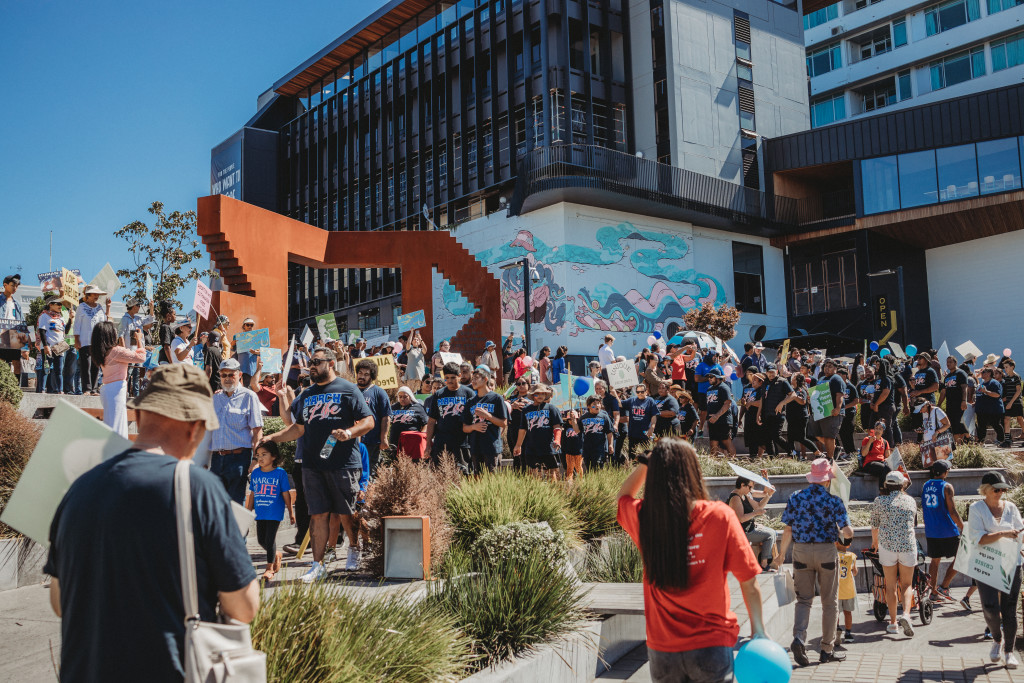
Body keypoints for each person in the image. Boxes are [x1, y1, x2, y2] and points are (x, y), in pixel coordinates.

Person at [43, 364, 259, 681]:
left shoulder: (80, 487)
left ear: (141, 416)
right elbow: (244, 607)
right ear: (196, 428)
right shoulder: (197, 488)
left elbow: (59, 601)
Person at [617, 439, 766, 682]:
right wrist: (758, 631)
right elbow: (748, 582)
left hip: (663, 648)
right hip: (711, 644)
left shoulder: (645, 517)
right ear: (693, 471)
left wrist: (648, 463)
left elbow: (624, 496)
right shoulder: (720, 516)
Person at [262, 347, 374, 581]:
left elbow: (368, 421)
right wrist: (272, 437)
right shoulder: (307, 394)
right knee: (318, 514)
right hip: (312, 464)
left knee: (347, 512)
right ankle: (317, 565)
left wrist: (349, 432)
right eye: (310, 362)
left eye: (316, 362)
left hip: (344, 463)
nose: (311, 366)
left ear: (331, 363)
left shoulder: (348, 389)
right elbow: (297, 428)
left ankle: (354, 548)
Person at [771, 457, 854, 666]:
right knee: (830, 603)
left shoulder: (795, 497)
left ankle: (799, 638)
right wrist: (847, 533)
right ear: (827, 480)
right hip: (826, 552)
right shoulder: (834, 501)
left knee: (803, 600)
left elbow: (787, 529)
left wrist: (781, 555)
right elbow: (847, 532)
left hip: (801, 551)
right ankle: (826, 650)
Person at [968, 471, 1023, 668]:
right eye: (996, 490)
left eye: (1003, 490)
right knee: (990, 607)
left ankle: (1009, 651)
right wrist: (1003, 534)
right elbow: (978, 539)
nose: (1000, 493)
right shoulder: (976, 508)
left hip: (1011, 563)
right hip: (987, 563)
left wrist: (1020, 543)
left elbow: (1020, 533)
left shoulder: (1011, 508)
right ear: (986, 490)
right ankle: (997, 639)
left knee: (1010, 609)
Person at [869, 471, 919, 637]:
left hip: (887, 546)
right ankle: (906, 615)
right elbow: (913, 523)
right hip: (907, 545)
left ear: (886, 484)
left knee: (890, 586)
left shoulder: (879, 501)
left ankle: (892, 623)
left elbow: (874, 525)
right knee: (907, 585)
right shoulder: (910, 501)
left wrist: (875, 543)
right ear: (902, 484)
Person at [210, 358, 264, 505]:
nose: (227, 378)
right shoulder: (215, 398)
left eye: (231, 374)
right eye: (224, 375)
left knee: (236, 506)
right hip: (216, 459)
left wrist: (255, 459)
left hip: (239, 459)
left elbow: (257, 431)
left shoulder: (249, 396)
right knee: (215, 505)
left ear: (239, 374)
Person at [246, 441, 295, 581]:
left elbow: (286, 493)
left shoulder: (280, 473)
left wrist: (291, 512)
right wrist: (247, 512)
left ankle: (269, 569)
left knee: (270, 539)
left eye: (264, 454)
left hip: (274, 512)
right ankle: (276, 554)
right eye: (258, 455)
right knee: (261, 540)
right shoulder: (255, 473)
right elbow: (252, 494)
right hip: (260, 512)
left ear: (273, 456)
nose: (260, 458)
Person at [91, 321, 146, 438]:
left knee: (111, 424)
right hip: (117, 389)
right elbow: (141, 358)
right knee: (118, 426)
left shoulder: (101, 352)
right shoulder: (116, 351)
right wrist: (139, 340)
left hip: (107, 389)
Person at [921, 459, 963, 602]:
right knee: (962, 557)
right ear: (945, 472)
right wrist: (962, 526)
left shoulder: (926, 485)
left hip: (932, 530)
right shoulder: (947, 486)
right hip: (947, 529)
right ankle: (944, 587)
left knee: (935, 561)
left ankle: (933, 593)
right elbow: (952, 511)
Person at [425, 361, 476, 472]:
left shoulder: (468, 393)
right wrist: (428, 444)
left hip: (463, 443)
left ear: (459, 376)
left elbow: (474, 419)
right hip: (441, 443)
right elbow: (432, 421)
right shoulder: (438, 394)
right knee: (439, 475)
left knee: (464, 475)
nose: (449, 381)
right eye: (447, 378)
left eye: (453, 377)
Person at [462, 365, 509, 472]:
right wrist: (474, 427)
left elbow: (504, 423)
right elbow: (465, 428)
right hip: (475, 446)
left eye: (476, 378)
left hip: (491, 446)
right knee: (477, 477)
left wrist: (487, 416)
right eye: (472, 379)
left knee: (492, 477)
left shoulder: (496, 398)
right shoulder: (470, 401)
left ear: (485, 379)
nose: (473, 381)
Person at [728, 474, 777, 571]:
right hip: (741, 532)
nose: (751, 490)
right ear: (742, 485)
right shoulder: (736, 498)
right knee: (770, 535)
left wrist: (768, 494)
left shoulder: (745, 495)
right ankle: (764, 564)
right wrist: (755, 513)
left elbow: (758, 506)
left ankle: (764, 560)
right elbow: (741, 519)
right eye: (750, 487)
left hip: (748, 528)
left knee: (773, 532)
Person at [513, 384, 563, 477]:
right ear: (533, 395)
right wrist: (518, 445)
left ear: (546, 395)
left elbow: (557, 427)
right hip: (531, 448)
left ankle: (553, 487)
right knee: (534, 474)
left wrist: (557, 440)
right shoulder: (526, 410)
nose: (540, 396)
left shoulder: (552, 408)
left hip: (549, 448)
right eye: (537, 394)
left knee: (552, 474)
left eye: (543, 394)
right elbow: (523, 429)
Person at [353, 358, 392, 475]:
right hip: (352, 439)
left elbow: (386, 417)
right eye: (360, 373)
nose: (362, 376)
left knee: (368, 473)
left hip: (371, 440)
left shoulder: (379, 392)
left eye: (366, 374)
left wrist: (384, 438)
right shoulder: (350, 390)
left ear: (372, 376)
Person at [73, 285, 110, 396]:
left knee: (96, 366)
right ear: (88, 295)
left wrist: (108, 307)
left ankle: (94, 389)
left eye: (97, 294)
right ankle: (86, 389)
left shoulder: (100, 307)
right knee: (86, 365)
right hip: (84, 341)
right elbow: (77, 324)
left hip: (97, 342)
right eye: (94, 294)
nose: (96, 296)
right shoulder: (81, 307)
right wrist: (76, 339)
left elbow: (105, 322)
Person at [808, 358, 845, 459]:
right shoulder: (821, 379)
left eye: (830, 366)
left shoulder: (836, 378)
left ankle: (830, 458)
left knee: (829, 436)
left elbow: (839, 395)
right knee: (816, 435)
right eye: (825, 366)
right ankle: (835, 448)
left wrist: (837, 408)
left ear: (835, 369)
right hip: (821, 411)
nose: (827, 368)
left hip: (832, 412)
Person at [37, 294, 68, 394]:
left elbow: (66, 331)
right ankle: (42, 389)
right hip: (49, 346)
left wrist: (71, 320)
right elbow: (42, 331)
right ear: (50, 305)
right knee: (46, 368)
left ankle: (60, 390)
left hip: (59, 347)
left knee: (59, 370)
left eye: (61, 304)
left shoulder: (61, 318)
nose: (60, 306)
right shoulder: (44, 316)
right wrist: (46, 346)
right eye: (57, 304)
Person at [786, 374, 821, 459]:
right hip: (792, 417)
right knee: (790, 437)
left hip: (800, 417)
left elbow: (802, 401)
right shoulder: (792, 389)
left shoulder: (801, 390)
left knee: (802, 438)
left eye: (793, 377)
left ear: (797, 380)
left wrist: (794, 396)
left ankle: (818, 453)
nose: (791, 379)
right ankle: (792, 456)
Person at [389, 386, 429, 460]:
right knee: (395, 461)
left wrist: (421, 436)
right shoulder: (393, 407)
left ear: (410, 396)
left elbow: (426, 423)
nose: (402, 399)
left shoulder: (418, 407)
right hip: (395, 440)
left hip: (412, 441)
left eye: (405, 397)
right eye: (400, 397)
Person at [620, 384, 658, 459]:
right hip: (633, 433)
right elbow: (620, 404)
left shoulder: (650, 401)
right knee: (632, 455)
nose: (640, 393)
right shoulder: (632, 400)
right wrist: (614, 393)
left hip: (645, 433)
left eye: (642, 392)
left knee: (646, 455)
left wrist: (652, 427)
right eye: (638, 392)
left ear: (646, 391)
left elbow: (654, 415)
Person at [939, 355, 970, 444]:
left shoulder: (960, 373)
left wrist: (964, 401)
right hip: (949, 403)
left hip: (959, 402)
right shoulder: (947, 377)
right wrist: (939, 404)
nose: (948, 364)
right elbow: (943, 392)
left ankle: (969, 437)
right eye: (947, 362)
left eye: (950, 362)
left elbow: (964, 388)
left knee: (958, 421)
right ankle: (958, 443)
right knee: (952, 423)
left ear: (955, 363)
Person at [704, 369, 735, 457]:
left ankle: (734, 462)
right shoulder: (709, 389)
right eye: (708, 377)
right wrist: (708, 420)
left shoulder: (724, 387)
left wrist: (716, 416)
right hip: (712, 421)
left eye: (711, 376)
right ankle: (714, 464)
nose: (709, 378)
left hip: (723, 420)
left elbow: (727, 403)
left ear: (717, 377)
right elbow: (709, 406)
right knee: (713, 443)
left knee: (726, 442)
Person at [117, 298, 144, 397]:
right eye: (138, 305)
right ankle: (124, 393)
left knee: (137, 374)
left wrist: (151, 308)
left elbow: (149, 320)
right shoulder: (125, 319)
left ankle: (136, 395)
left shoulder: (137, 319)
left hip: (136, 351)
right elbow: (120, 335)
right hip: (129, 351)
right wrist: (124, 351)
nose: (139, 307)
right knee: (127, 374)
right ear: (133, 307)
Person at [579, 395, 615, 470]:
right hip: (587, 450)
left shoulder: (604, 417)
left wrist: (610, 444)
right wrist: (573, 420)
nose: (597, 406)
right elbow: (577, 430)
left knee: (598, 468)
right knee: (589, 470)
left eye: (598, 403)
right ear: (589, 406)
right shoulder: (583, 418)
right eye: (594, 404)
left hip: (600, 449)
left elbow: (609, 432)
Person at [859, 420, 893, 490]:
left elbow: (887, 456)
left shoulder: (885, 442)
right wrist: (869, 442)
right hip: (869, 463)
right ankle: (883, 491)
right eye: (876, 428)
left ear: (883, 431)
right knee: (885, 469)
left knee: (890, 469)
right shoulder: (867, 439)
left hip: (881, 463)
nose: (878, 430)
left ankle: (889, 491)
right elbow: (863, 454)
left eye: (880, 429)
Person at [975, 367, 1006, 444]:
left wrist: (986, 391)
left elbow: (997, 395)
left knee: (996, 425)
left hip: (993, 410)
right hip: (982, 410)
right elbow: (980, 394)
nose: (981, 374)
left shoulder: (994, 383)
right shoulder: (982, 383)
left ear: (989, 373)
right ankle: (980, 442)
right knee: (981, 426)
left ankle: (1001, 440)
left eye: (983, 372)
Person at [835, 539, 858, 644]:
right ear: (849, 545)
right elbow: (855, 572)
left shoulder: (834, 555)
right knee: (848, 613)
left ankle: (836, 629)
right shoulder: (852, 556)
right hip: (848, 590)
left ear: (836, 543)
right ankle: (848, 634)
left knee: (835, 613)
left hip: (836, 591)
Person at [693, 350, 723, 428]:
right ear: (709, 356)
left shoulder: (718, 366)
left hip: (716, 392)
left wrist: (718, 378)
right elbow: (697, 379)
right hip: (703, 392)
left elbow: (723, 377)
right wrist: (710, 378)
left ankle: (712, 428)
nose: (716, 358)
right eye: (714, 356)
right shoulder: (701, 365)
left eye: (716, 356)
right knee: (704, 411)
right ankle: (701, 428)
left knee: (715, 410)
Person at [739, 370, 764, 457]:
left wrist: (751, 403)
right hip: (749, 418)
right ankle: (752, 457)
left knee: (760, 441)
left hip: (757, 418)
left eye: (755, 380)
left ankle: (760, 457)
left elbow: (762, 403)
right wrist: (745, 403)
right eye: (752, 380)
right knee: (751, 440)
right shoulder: (752, 391)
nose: (752, 382)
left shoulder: (762, 390)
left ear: (761, 382)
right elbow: (748, 405)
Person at [1001, 359, 1022, 448]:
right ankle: (1007, 441)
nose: (1005, 369)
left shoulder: (1016, 377)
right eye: (1004, 367)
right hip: (1008, 402)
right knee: (1006, 419)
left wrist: (1011, 403)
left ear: (1012, 367)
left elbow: (1018, 391)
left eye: (1007, 367)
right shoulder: (1006, 378)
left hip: (1016, 402)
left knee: (1020, 419)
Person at [235, 317, 260, 387]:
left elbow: (261, 352)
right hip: (240, 366)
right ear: (244, 326)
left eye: (251, 325)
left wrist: (255, 352)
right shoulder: (238, 337)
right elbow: (233, 350)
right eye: (248, 325)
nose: (250, 326)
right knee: (236, 387)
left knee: (248, 387)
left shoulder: (256, 338)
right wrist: (233, 344)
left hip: (250, 367)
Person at [562, 410, 584, 481]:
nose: (571, 421)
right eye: (570, 420)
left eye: (574, 419)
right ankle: (569, 480)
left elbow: (579, 431)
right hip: (568, 450)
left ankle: (581, 479)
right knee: (569, 467)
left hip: (578, 450)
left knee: (578, 466)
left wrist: (574, 420)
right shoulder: (565, 427)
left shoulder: (580, 426)